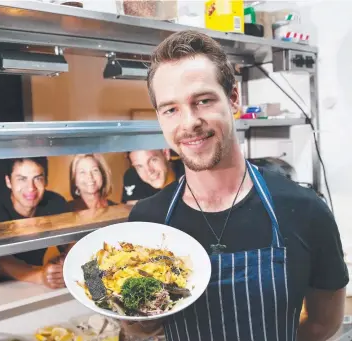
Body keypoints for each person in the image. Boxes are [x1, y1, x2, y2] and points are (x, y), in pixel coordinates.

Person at [125, 30, 348, 341]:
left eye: (202, 101)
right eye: (171, 109)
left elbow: (324, 324)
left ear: (233, 99)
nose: (189, 122)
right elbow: (137, 327)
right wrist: (137, 321)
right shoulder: (147, 221)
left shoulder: (305, 209)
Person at [0, 157, 69, 289]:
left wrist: (63, 262)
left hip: (35, 286)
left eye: (37, 178)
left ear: (46, 180)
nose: (31, 188)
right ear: (8, 181)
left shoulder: (54, 202)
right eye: (22, 179)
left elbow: (69, 244)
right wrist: (41, 276)